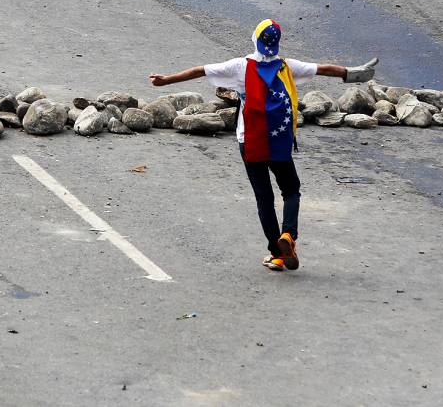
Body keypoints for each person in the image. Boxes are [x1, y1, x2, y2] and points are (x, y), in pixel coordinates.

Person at [149, 19, 377, 272]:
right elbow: (324, 69)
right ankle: (288, 235)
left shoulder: (239, 67)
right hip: (278, 140)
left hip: (251, 140)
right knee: (291, 190)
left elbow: (200, 70)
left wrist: (165, 80)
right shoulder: (287, 66)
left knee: (264, 198)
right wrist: (355, 73)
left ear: (255, 40)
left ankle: (276, 253)